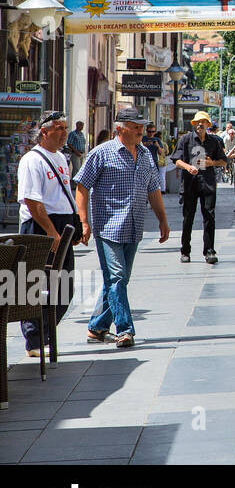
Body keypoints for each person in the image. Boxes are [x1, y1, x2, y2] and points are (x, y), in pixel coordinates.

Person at [74, 107, 171, 348]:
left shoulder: (146, 155)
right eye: (135, 126)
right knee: (116, 277)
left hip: (134, 226)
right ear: (120, 128)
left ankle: (96, 327)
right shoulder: (101, 153)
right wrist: (83, 221)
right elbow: (82, 187)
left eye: (142, 126)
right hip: (108, 228)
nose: (141, 130)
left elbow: (153, 189)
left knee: (118, 280)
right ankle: (125, 329)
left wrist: (162, 219)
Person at [16, 111, 78, 358]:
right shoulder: (32, 160)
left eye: (65, 128)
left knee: (65, 285)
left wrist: (78, 221)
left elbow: (65, 193)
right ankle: (34, 339)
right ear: (44, 132)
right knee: (34, 283)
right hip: (41, 227)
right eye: (59, 128)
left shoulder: (62, 158)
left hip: (61, 226)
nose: (64, 133)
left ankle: (46, 333)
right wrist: (52, 234)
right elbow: (33, 202)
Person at [171, 112, 227, 263]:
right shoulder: (186, 139)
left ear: (208, 125)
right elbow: (176, 160)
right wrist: (188, 167)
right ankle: (185, 251)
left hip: (207, 183)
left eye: (203, 122)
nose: (200, 124)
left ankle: (209, 251)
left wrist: (212, 163)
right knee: (188, 218)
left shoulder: (214, 141)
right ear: (194, 124)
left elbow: (223, 161)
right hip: (190, 183)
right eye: (198, 122)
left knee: (209, 217)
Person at [141, 123, 165, 193]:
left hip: (154, 162)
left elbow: (160, 153)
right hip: (143, 162)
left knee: (154, 180)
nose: (151, 133)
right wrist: (145, 144)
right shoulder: (143, 138)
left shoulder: (157, 140)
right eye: (149, 132)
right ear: (146, 131)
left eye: (153, 132)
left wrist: (157, 146)